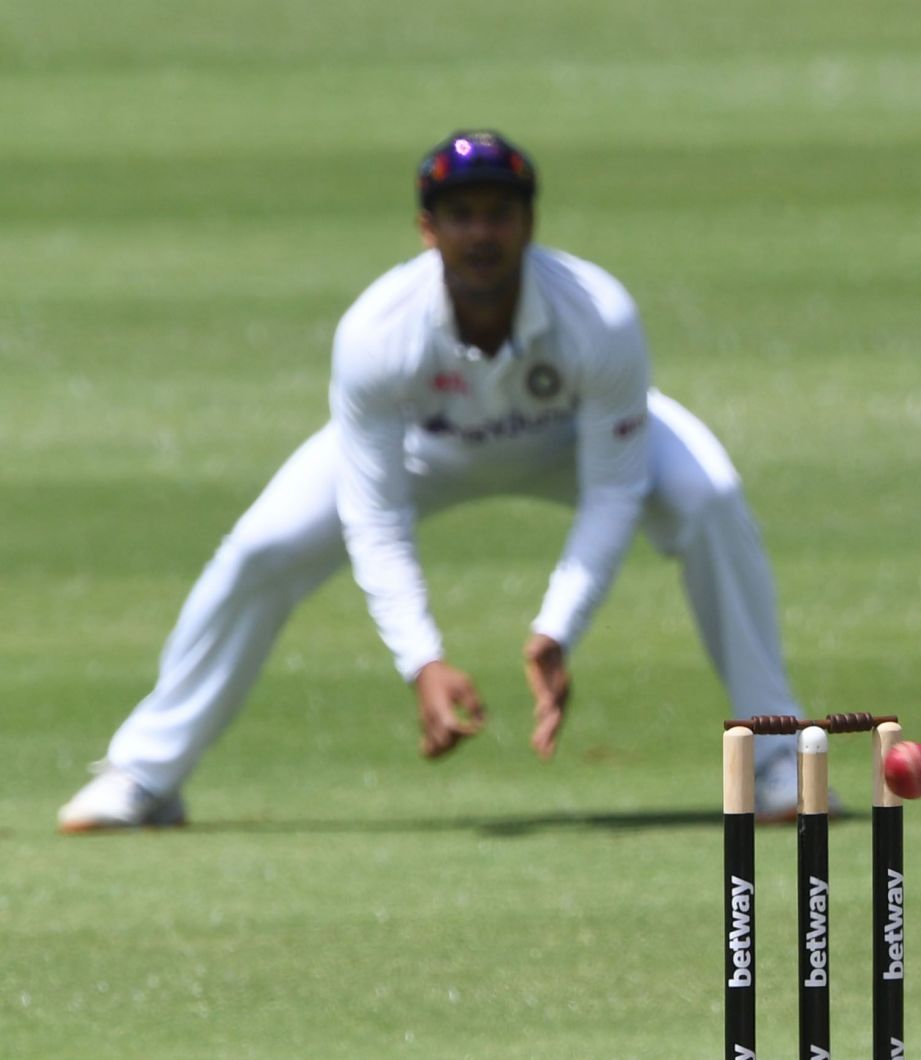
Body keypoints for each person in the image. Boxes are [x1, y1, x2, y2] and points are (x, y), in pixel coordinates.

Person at [58, 130, 812, 831]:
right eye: (460, 215)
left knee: (706, 498)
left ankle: (778, 759)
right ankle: (147, 776)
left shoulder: (599, 315)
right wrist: (421, 659)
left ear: (528, 223)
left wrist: (558, 628)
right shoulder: (378, 331)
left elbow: (615, 488)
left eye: (499, 213)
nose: (480, 233)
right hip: (429, 448)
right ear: (427, 229)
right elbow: (376, 515)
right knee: (264, 548)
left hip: (567, 441)